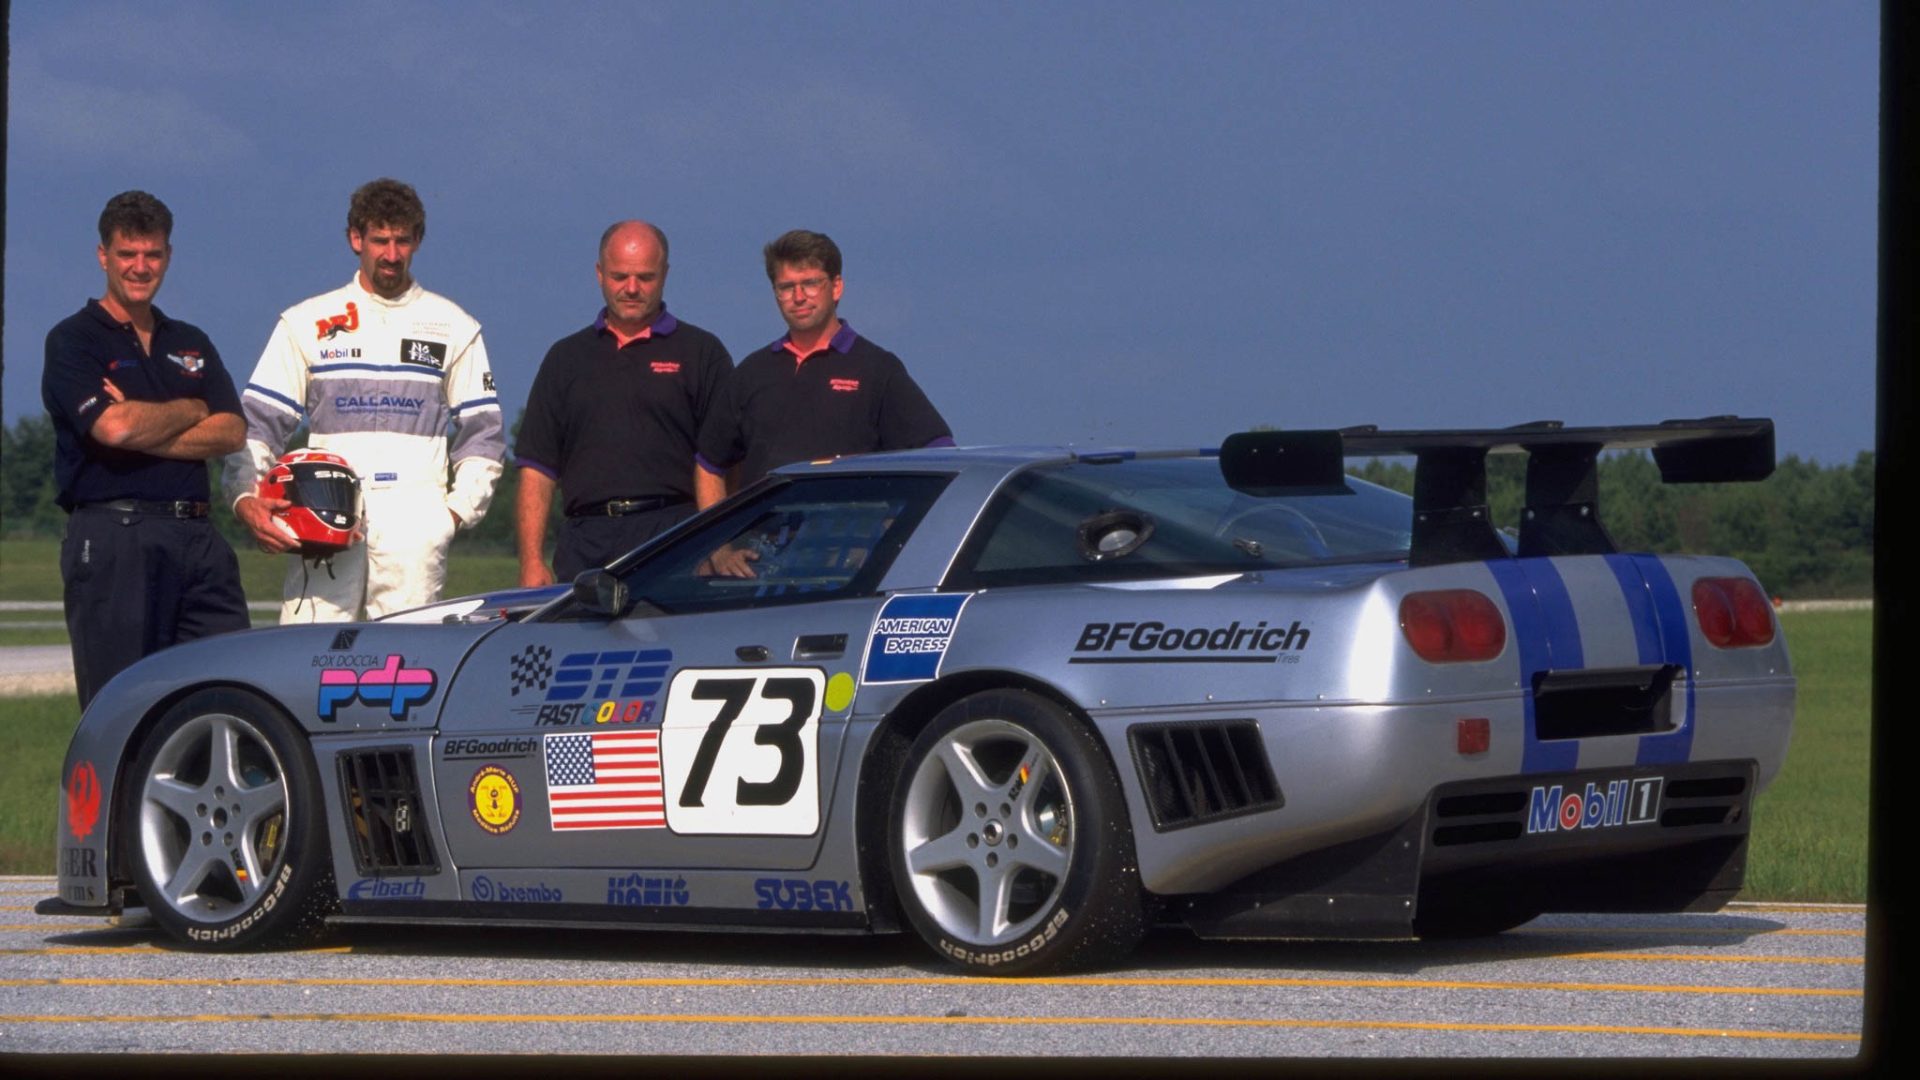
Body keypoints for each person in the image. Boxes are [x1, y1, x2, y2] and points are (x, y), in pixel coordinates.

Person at [225, 178, 505, 621]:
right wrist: (246, 499)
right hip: (322, 515)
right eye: (379, 240)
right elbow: (258, 425)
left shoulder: (453, 326)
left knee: (406, 659)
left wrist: (451, 516)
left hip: (414, 525)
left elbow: (484, 435)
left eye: (402, 241)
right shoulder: (307, 321)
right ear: (356, 239)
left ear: (418, 241)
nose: (391, 255)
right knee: (311, 656)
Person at [42, 191, 251, 708]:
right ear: (103, 256)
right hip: (117, 536)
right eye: (127, 253)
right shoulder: (73, 340)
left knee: (227, 693)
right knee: (124, 706)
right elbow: (114, 429)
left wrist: (145, 421)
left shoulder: (190, 341)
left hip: (199, 538)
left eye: (152, 254)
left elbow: (232, 431)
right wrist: (193, 407)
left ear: (168, 256)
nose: (141, 267)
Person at [513, 221, 733, 586]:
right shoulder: (565, 358)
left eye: (645, 277)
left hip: (675, 540)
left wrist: (718, 544)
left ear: (665, 274)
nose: (631, 288)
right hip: (585, 542)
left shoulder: (701, 353)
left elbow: (726, 463)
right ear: (599, 274)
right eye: (619, 277)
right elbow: (537, 468)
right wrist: (532, 560)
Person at [694, 229, 952, 512]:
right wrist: (719, 539)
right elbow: (709, 464)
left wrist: (898, 524)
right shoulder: (752, 372)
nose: (799, 297)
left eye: (810, 283)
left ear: (836, 286)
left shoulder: (876, 369)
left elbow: (939, 453)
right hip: (766, 537)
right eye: (786, 287)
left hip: (851, 535)